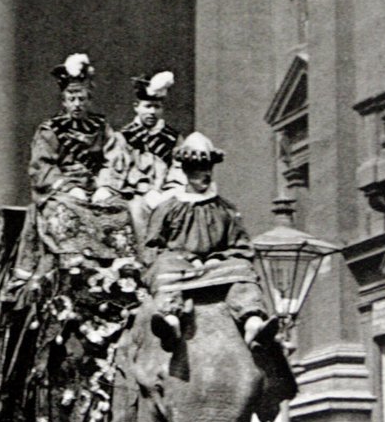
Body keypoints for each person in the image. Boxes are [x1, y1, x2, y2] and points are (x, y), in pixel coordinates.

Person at [142, 132, 277, 347]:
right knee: (162, 266)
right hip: (180, 268)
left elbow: (241, 246)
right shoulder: (168, 208)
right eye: (197, 169)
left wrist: (217, 258)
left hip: (218, 268)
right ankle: (170, 318)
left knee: (242, 268)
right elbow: (152, 247)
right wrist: (185, 258)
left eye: (207, 169)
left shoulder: (225, 209)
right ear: (186, 171)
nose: (204, 175)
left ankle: (252, 319)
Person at [23, 52, 135, 267]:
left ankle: (118, 266)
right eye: (71, 99)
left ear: (88, 100)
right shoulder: (49, 131)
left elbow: (113, 159)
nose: (77, 104)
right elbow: (43, 167)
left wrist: (106, 186)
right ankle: (77, 262)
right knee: (67, 210)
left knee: (118, 209)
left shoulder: (101, 128)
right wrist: (68, 187)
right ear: (64, 101)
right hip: (62, 192)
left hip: (95, 187)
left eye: (81, 99)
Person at [103, 71, 184, 240]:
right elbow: (115, 171)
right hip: (132, 194)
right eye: (147, 106)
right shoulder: (124, 137)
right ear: (136, 106)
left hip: (164, 193)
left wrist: (167, 192)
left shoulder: (172, 138)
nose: (152, 112)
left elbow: (178, 170)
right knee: (135, 210)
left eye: (157, 107)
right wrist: (142, 189)